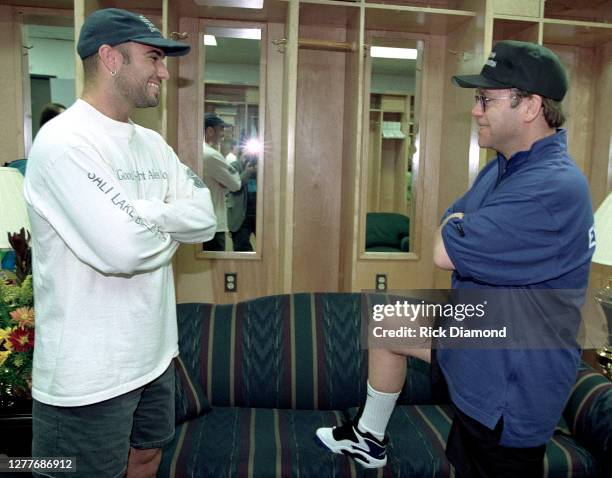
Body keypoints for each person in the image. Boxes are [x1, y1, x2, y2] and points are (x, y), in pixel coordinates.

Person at [316, 40, 595, 476]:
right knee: (387, 322)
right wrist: (460, 224)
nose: (475, 110)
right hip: (481, 336)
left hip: (510, 386)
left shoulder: (551, 187)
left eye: (486, 99)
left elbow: (443, 248)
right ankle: (370, 438)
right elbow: (451, 220)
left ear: (531, 106)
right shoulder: (501, 169)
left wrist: (459, 226)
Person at [23, 8, 216, 478]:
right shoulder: (63, 143)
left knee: (147, 457)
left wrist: (141, 217)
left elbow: (206, 219)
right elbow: (123, 252)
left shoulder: (152, 144)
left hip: (153, 355)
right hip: (88, 375)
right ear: (110, 58)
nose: (164, 72)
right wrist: (164, 223)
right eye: (153, 58)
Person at [202, 113, 241, 251]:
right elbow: (236, 183)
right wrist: (224, 183)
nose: (223, 134)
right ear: (210, 130)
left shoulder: (195, 150)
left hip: (200, 221)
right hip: (214, 222)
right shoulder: (210, 155)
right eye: (221, 129)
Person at [226, 141, 257, 251]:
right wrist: (247, 171)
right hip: (240, 215)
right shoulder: (234, 166)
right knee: (242, 248)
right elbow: (234, 186)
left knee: (269, 248)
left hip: (258, 214)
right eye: (246, 156)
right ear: (239, 155)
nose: (249, 158)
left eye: (252, 155)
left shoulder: (261, 168)